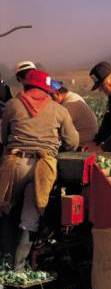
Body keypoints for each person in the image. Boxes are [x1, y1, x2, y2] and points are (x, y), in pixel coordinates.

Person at [0, 69, 79, 271]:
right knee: (30, 218)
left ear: (26, 86)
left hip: (15, 163)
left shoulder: (12, 105)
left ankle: (4, 262)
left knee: (6, 208)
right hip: (43, 168)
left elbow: (4, 135)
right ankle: (19, 268)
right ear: (47, 89)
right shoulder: (59, 110)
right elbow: (73, 142)